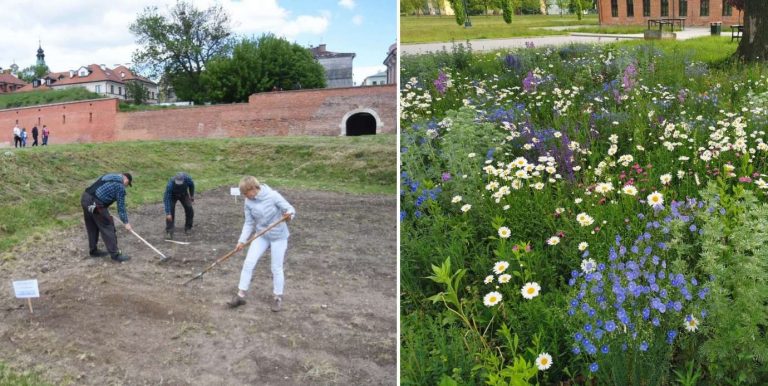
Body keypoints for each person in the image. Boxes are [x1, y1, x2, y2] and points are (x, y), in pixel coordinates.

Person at [227, 176, 295, 312]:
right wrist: (241, 240)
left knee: (276, 267)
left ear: (253, 188)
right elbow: (249, 222)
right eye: (244, 195)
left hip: (278, 236)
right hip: (261, 235)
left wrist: (288, 216)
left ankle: (277, 297)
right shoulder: (248, 202)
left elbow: (290, 210)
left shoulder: (273, 196)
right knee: (248, 262)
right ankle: (240, 295)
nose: (245, 197)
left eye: (246, 193)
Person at [80, 173, 133, 262]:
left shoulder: (109, 176)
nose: (126, 186)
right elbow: (121, 207)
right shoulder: (120, 187)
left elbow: (101, 191)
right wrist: (126, 222)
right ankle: (115, 255)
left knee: (92, 225)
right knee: (108, 225)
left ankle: (93, 250)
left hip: (85, 198)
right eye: (127, 185)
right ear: (126, 180)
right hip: (95, 204)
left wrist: (104, 210)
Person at [164, 172, 195, 239]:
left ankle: (188, 227)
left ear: (183, 180)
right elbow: (167, 199)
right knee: (170, 212)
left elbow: (191, 185)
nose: (178, 184)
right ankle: (169, 231)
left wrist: (191, 195)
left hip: (183, 194)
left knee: (189, 208)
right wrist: (168, 213)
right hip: (173, 195)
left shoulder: (188, 179)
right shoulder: (170, 185)